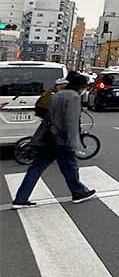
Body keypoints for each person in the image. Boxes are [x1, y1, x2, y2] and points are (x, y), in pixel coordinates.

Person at [12, 71, 96, 208]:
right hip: (62, 139)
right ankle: (78, 193)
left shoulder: (57, 94)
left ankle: (20, 199)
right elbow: (71, 121)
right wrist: (73, 142)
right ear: (80, 86)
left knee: (36, 168)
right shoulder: (73, 97)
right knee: (70, 168)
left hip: (48, 137)